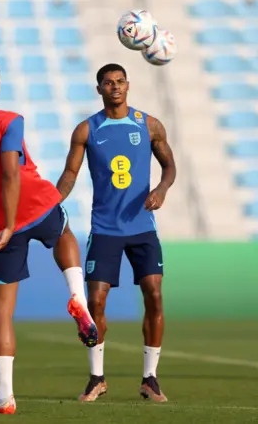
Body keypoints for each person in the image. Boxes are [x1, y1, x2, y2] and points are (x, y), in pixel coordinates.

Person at [0, 56, 98, 414]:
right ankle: (77, 296)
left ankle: (5, 397)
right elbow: (11, 172)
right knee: (64, 234)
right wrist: (14, 220)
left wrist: (4, 220)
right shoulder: (10, 120)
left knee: (1, 310)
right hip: (35, 203)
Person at [56, 63, 176, 403]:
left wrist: (162, 190)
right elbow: (69, 174)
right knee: (95, 302)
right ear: (99, 89)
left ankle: (150, 378)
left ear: (128, 85)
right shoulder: (87, 130)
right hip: (105, 229)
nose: (115, 87)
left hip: (142, 227)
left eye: (121, 81)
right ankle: (97, 378)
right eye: (108, 83)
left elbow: (170, 166)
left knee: (153, 294)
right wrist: (50, 201)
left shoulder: (149, 124)